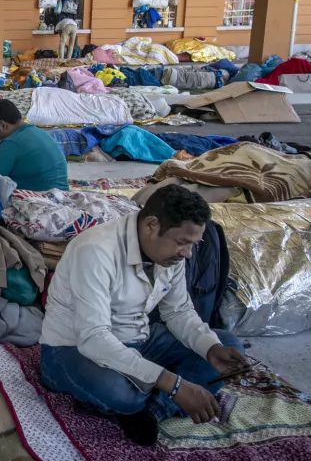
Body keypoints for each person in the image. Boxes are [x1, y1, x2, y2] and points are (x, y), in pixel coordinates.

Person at [40, 185, 248, 446]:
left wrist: (210, 347)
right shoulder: (95, 250)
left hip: (139, 339)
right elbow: (93, 338)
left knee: (227, 346)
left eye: (195, 244)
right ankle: (148, 400)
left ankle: (154, 410)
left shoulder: (171, 255)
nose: (188, 253)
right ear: (151, 225)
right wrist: (174, 384)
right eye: (183, 242)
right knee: (122, 394)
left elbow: (179, 311)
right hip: (72, 348)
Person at [0, 99, 68, 192]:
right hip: (62, 192)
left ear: (3, 125)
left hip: (40, 195)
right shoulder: (39, 132)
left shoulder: (11, 143)